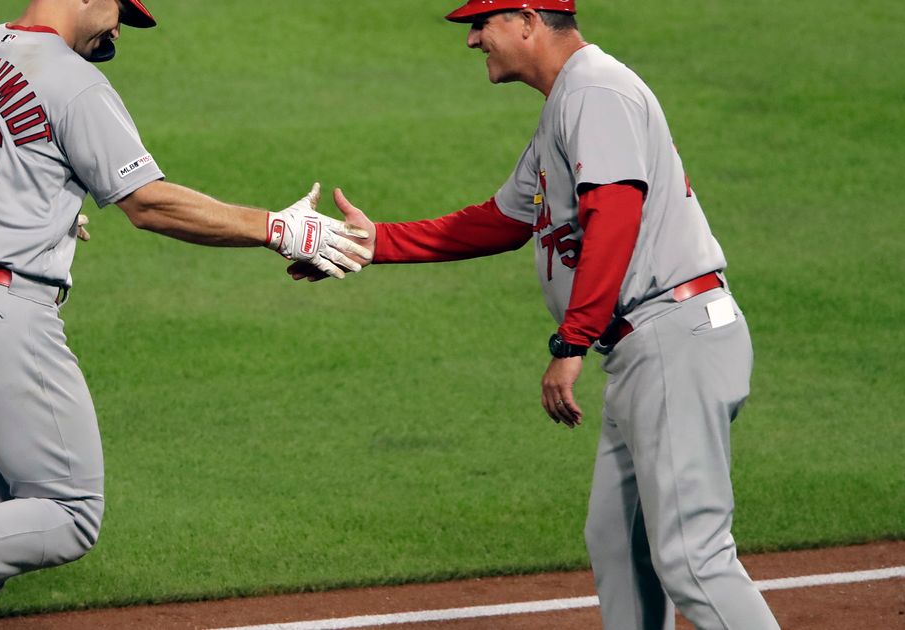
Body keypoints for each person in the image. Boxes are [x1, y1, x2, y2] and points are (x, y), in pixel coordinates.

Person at [0, 1, 370, 628]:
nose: (119, 28)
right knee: (69, 512)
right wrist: (277, 228)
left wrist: (37, 205)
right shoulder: (73, 80)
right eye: (120, 10)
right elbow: (149, 204)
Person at [296, 1, 781, 628]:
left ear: (527, 19)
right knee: (617, 541)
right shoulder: (569, 101)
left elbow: (615, 216)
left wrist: (570, 344)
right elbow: (506, 218)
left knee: (693, 558)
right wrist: (379, 243)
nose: (473, 40)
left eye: (483, 23)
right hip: (648, 345)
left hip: (671, 335)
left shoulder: (596, 91)